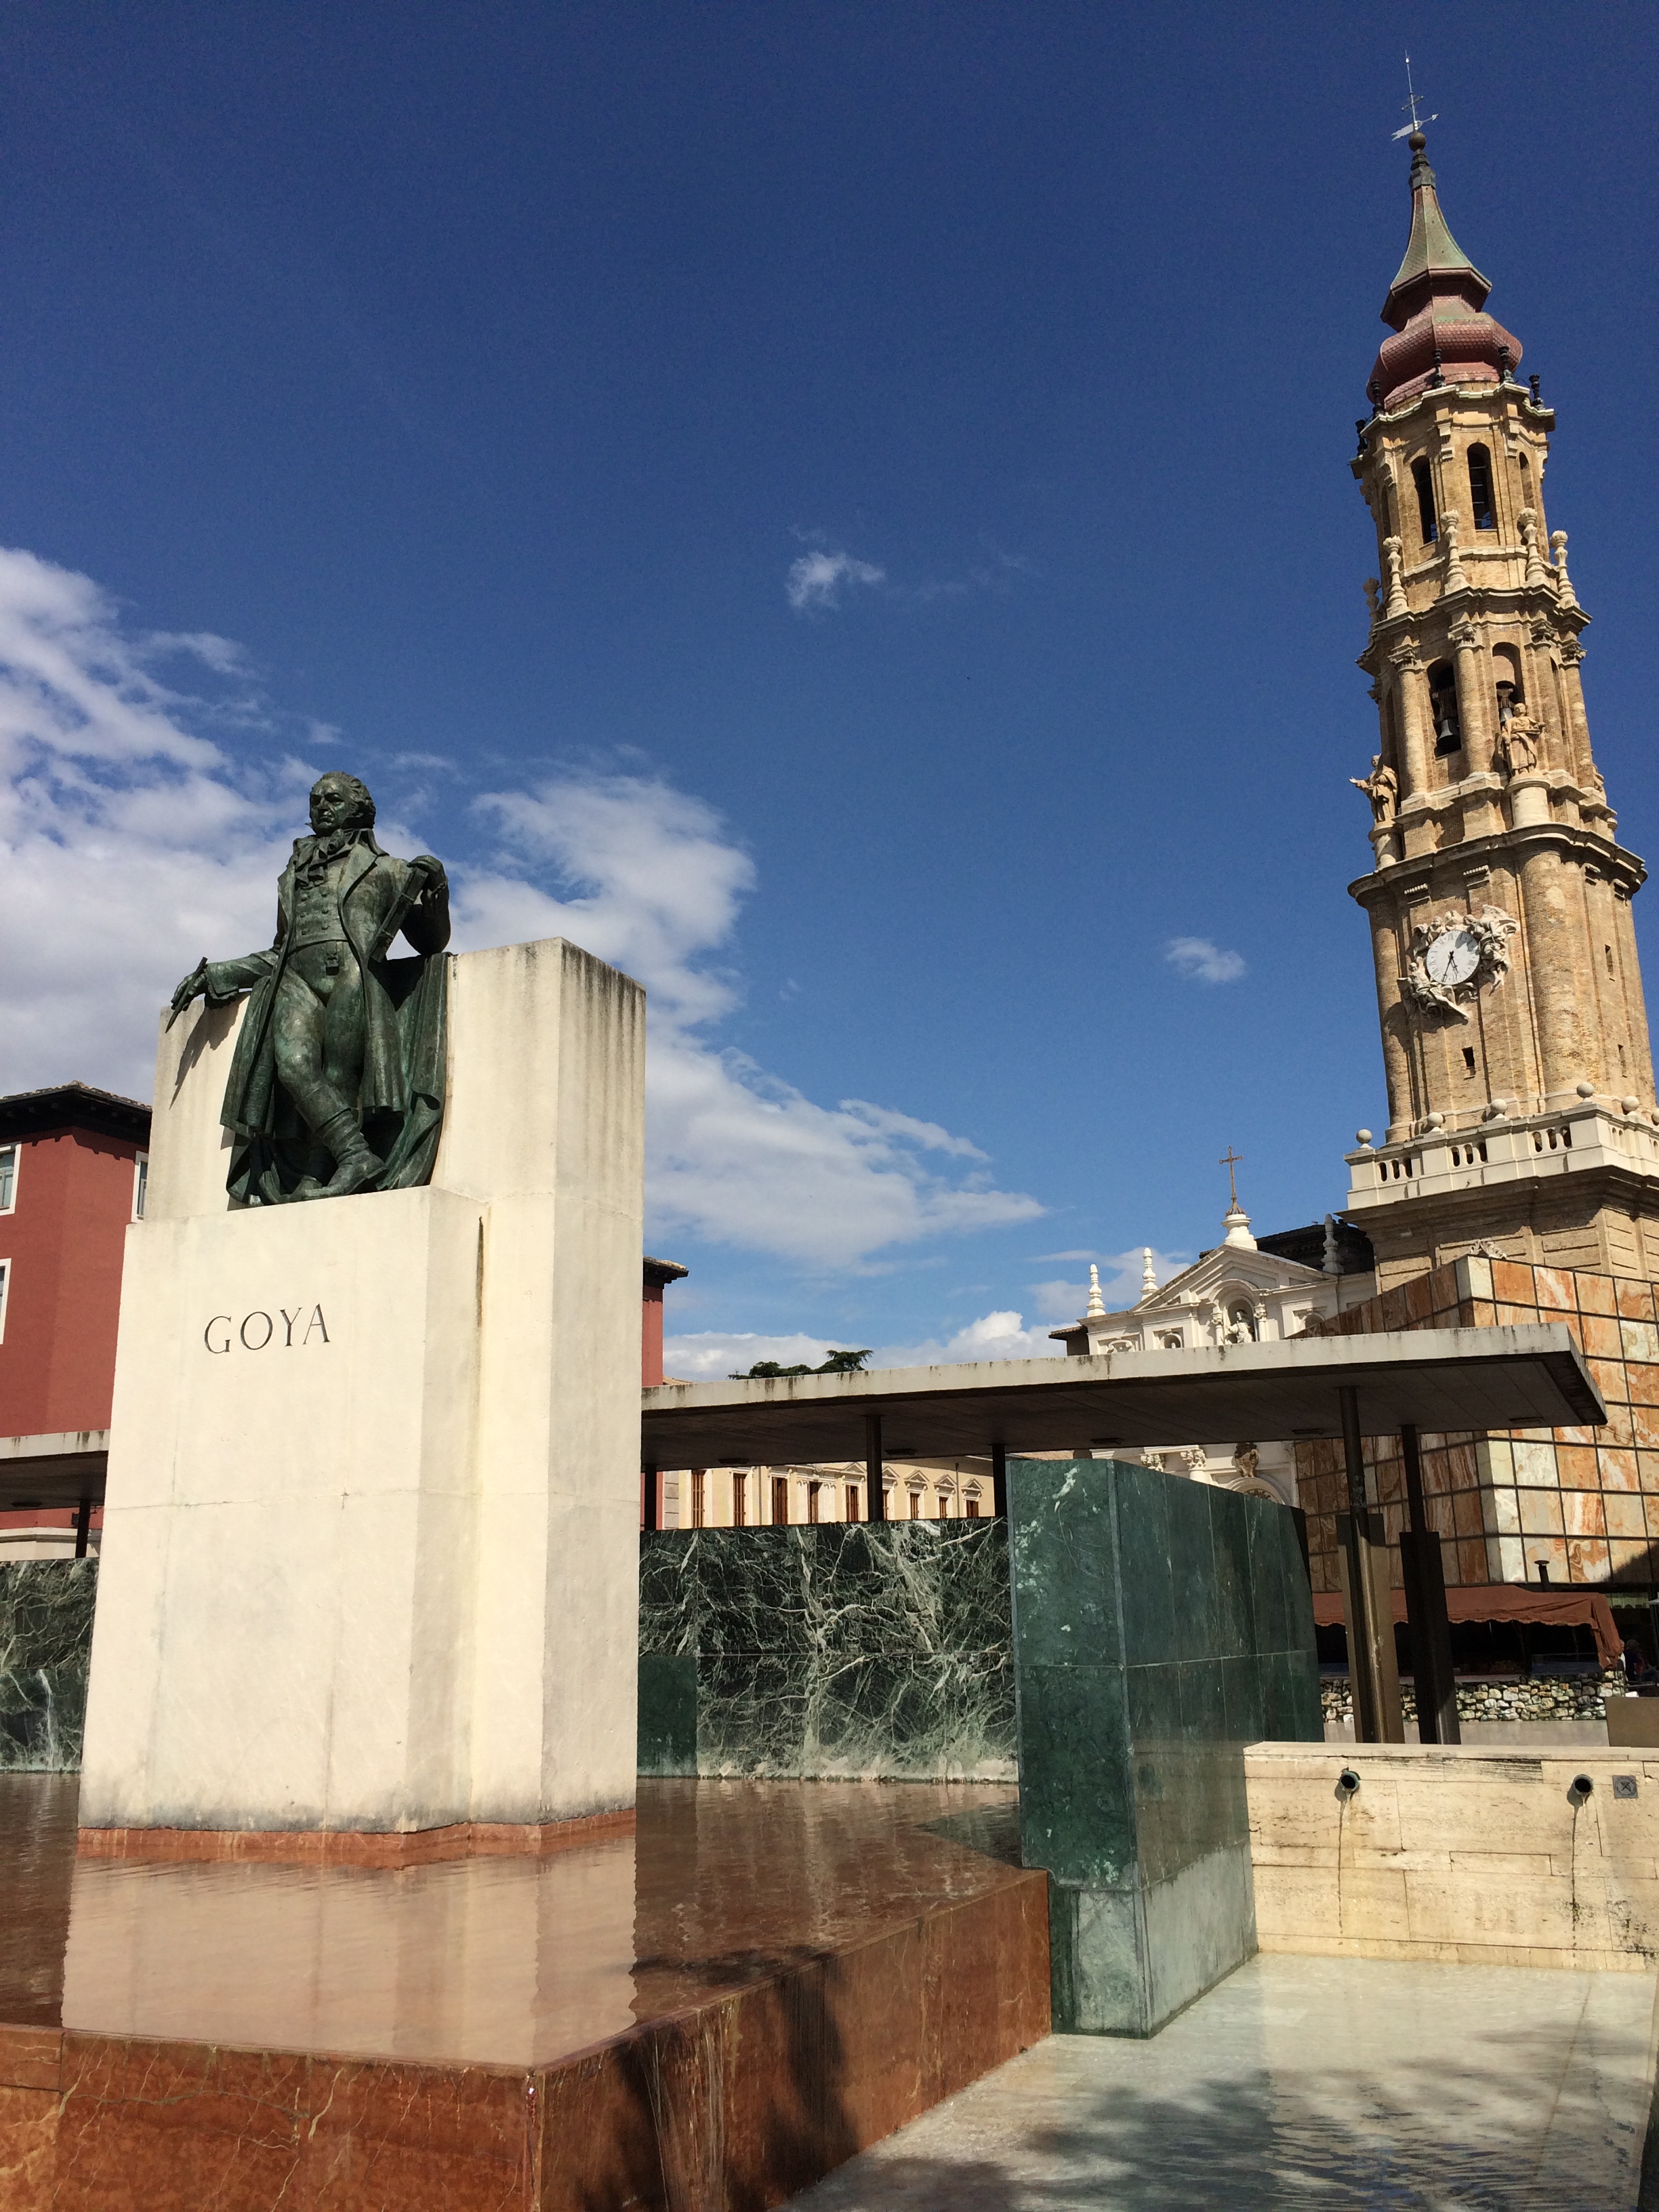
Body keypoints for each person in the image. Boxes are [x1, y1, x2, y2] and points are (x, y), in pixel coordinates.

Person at [170, 771, 450, 1203]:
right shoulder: (294, 874)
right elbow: (279, 949)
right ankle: (356, 1155)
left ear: (357, 809)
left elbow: (430, 942)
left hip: (352, 973)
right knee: (294, 1065)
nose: (321, 807)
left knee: (340, 1074)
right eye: (315, 800)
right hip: (297, 976)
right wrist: (217, 974)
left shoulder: (388, 869)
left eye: (332, 800)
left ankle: (318, 1172)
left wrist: (437, 891)